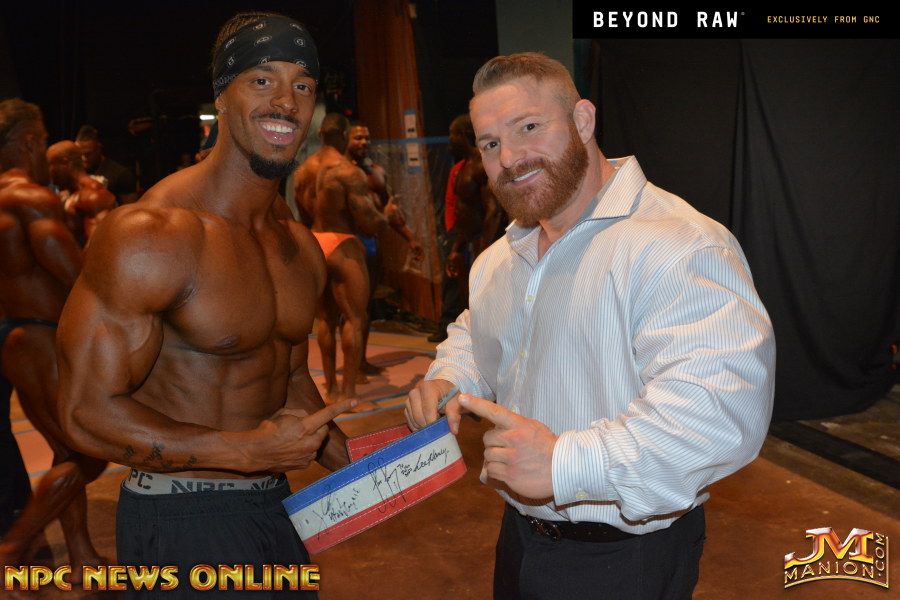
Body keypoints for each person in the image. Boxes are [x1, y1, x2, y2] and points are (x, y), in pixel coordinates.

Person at [405, 52, 775, 599]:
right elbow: (477, 328)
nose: (510, 158)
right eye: (490, 143)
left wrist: (565, 463)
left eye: (529, 127)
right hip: (520, 537)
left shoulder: (678, 244)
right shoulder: (505, 255)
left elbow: (718, 414)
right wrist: (450, 376)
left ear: (582, 120)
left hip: (623, 559)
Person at [57, 13, 354, 594]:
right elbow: (83, 412)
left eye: (303, 85)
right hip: (180, 515)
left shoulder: (296, 243)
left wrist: (362, 463)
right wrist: (242, 452)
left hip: (275, 506)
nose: (286, 101)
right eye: (262, 80)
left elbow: (289, 376)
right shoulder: (152, 234)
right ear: (221, 96)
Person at [0, 99, 108, 574]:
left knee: (66, 450)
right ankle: (13, 547)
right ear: (28, 142)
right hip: (41, 336)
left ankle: (82, 556)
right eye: (43, 140)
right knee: (90, 451)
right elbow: (76, 275)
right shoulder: (30, 198)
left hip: (18, 336)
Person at [293, 114, 410, 409]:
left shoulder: (302, 171)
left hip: (316, 243)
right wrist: (388, 216)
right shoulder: (347, 171)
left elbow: (303, 215)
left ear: (321, 134)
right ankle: (347, 394)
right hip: (342, 243)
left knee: (325, 320)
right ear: (344, 135)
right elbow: (369, 222)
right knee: (355, 319)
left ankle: (330, 388)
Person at [344, 122, 423, 376]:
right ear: (346, 139)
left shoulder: (377, 172)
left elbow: (390, 210)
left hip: (372, 243)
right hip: (347, 244)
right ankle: (350, 369)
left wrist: (410, 238)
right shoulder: (340, 172)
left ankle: (360, 361)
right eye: (358, 138)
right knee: (351, 309)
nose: (364, 142)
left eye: (367, 138)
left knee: (365, 307)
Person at [429, 114, 502, 343]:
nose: (449, 140)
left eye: (452, 134)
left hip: (484, 244)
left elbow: (494, 211)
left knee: (487, 305)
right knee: (469, 303)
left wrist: (486, 252)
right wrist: (456, 249)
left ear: (464, 135)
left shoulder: (482, 165)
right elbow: (465, 214)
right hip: (469, 242)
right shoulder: (463, 167)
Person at [46, 140, 116, 244]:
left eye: (49, 165)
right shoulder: (67, 194)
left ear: (65, 163)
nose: (48, 173)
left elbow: (99, 243)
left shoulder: (93, 195)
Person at [75, 124, 138, 205]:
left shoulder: (120, 174)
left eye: (88, 154)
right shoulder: (76, 172)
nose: (83, 158)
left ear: (99, 149)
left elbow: (130, 209)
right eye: (79, 154)